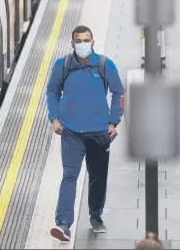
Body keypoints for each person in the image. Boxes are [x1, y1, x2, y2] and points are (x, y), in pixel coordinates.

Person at [47, 25, 125, 242]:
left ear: (93, 41)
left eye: (86, 40)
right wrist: (54, 118)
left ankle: (95, 215)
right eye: (79, 40)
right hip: (71, 132)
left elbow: (119, 93)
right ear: (72, 43)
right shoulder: (62, 66)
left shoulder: (104, 65)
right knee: (69, 175)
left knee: (97, 178)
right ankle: (63, 224)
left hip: (99, 133)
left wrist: (113, 122)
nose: (83, 44)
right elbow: (52, 91)